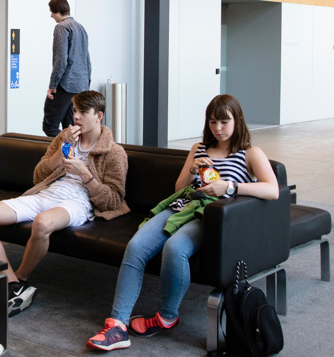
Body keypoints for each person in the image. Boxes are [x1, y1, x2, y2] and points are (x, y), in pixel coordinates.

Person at [86, 94, 280, 352]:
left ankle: (167, 315)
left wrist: (229, 187)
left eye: (224, 122)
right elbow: (179, 187)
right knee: (135, 247)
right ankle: (117, 325)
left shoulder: (250, 153)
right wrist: (192, 170)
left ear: (238, 120)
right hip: (181, 207)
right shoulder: (199, 148)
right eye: (213, 122)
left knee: (175, 248)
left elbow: (273, 190)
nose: (218, 128)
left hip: (212, 215)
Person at [0, 90, 128, 317]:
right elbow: (39, 176)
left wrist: (85, 174)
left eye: (83, 112)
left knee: (42, 223)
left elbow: (113, 200)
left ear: (99, 116)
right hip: (47, 193)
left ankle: (21, 277)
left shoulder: (114, 152)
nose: (76, 116)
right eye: (75, 110)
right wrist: (61, 151)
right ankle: (13, 284)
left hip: (78, 202)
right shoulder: (65, 136)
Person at [43, 0, 91, 137]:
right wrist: (86, 83)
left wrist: (53, 85)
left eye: (52, 12)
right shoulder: (80, 28)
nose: (51, 15)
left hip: (65, 85)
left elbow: (61, 60)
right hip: (81, 86)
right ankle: (73, 151)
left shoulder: (61, 27)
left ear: (58, 11)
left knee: (50, 126)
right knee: (71, 127)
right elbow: (87, 59)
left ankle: (63, 150)